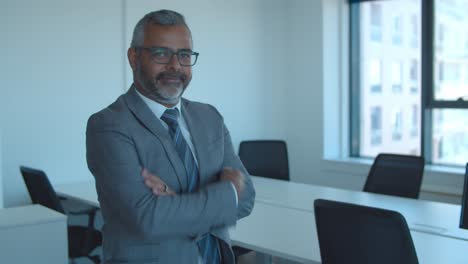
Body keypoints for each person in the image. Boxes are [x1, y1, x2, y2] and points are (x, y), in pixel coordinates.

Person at [86, 9, 255, 264]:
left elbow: (246, 198)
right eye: (161, 53)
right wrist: (223, 194)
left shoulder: (209, 118)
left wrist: (176, 204)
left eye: (184, 55)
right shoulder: (109, 125)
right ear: (134, 57)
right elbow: (148, 219)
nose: (175, 66)